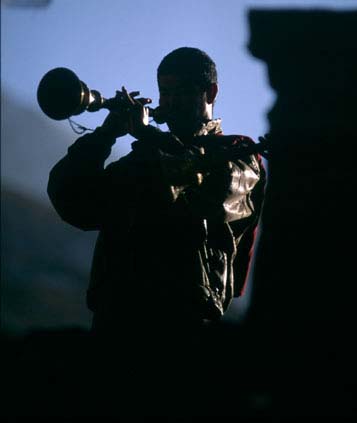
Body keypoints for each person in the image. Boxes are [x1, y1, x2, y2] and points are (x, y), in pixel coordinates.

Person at [47, 47, 266, 343]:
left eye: (184, 92)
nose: (172, 102)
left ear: (211, 93)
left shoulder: (240, 154)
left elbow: (211, 190)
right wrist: (103, 136)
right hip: (116, 319)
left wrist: (149, 135)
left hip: (184, 322)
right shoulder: (142, 161)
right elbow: (73, 201)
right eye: (166, 92)